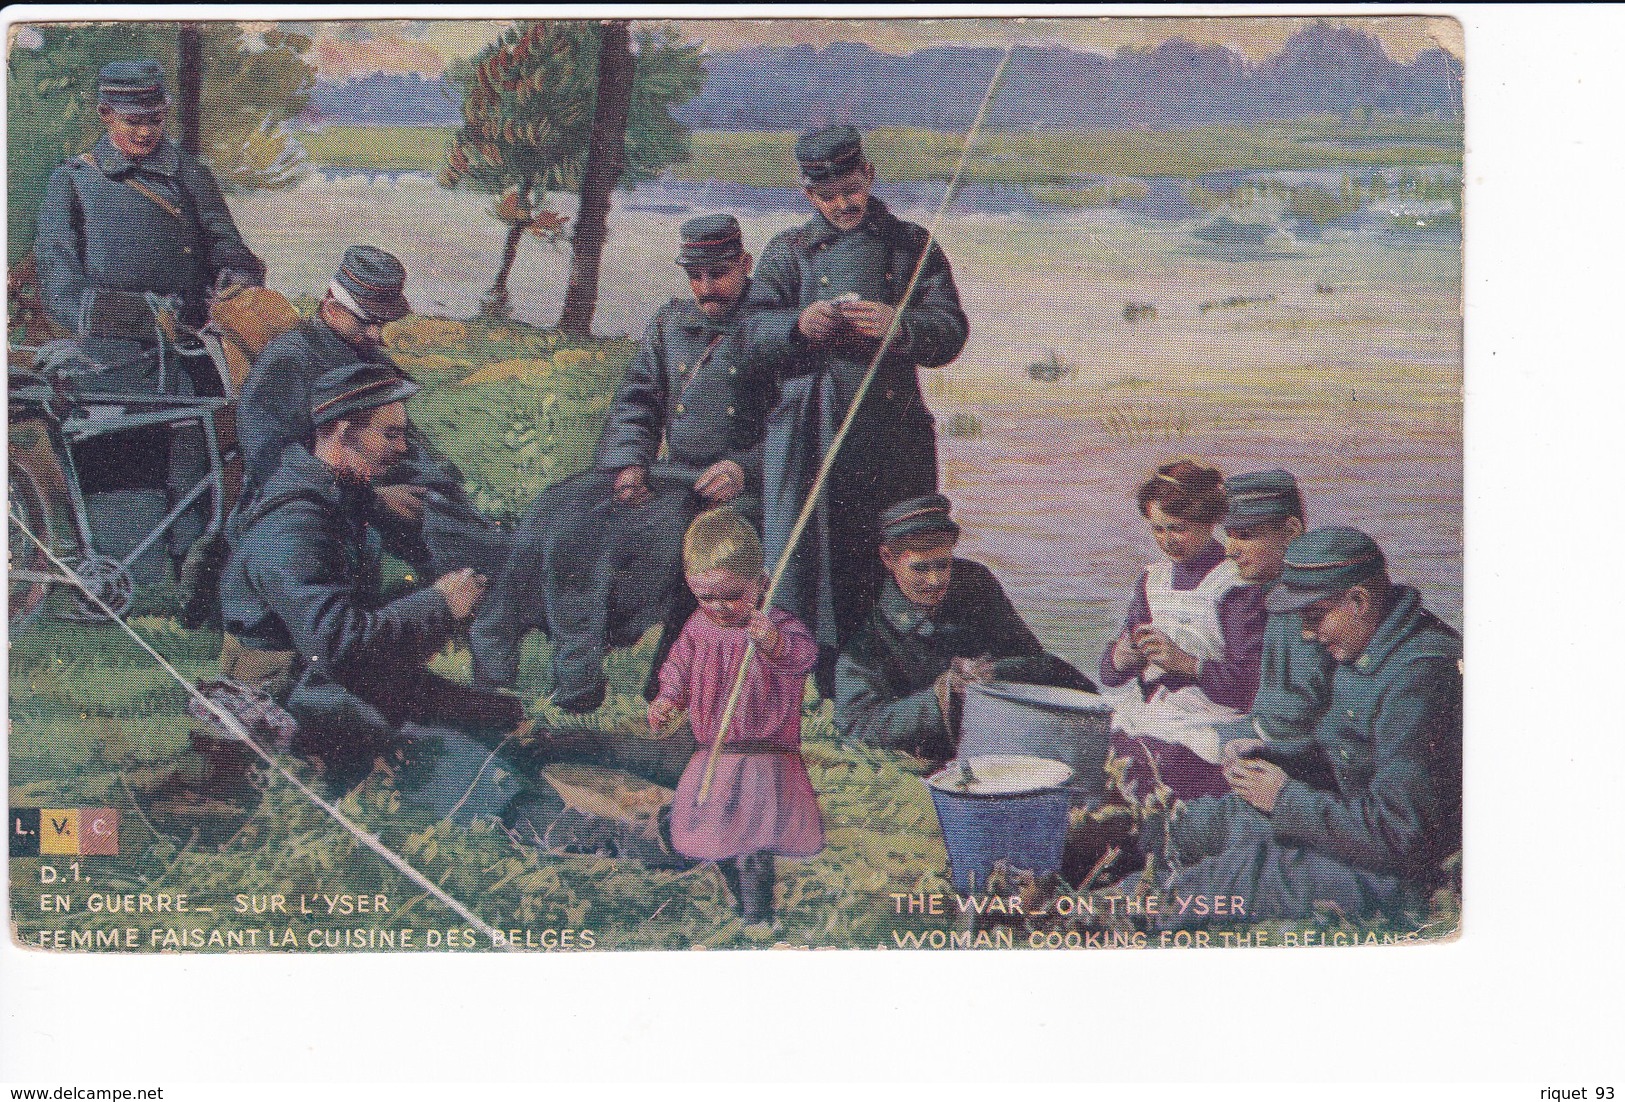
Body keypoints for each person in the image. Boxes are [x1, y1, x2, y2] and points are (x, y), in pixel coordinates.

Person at [218, 364, 523, 797]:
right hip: (286, 692)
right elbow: (335, 640)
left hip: (328, 675)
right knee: (478, 775)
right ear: (342, 432)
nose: (403, 449)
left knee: (499, 717)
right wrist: (438, 605)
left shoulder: (336, 492)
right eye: (390, 435)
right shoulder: (295, 521)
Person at [745, 125, 970, 691]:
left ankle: (904, 681)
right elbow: (748, 335)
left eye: (852, 189)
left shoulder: (911, 246)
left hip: (893, 433)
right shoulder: (788, 252)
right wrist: (799, 325)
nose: (844, 204)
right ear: (808, 195)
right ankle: (821, 681)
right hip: (813, 433)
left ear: (869, 176)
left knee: (899, 551)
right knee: (819, 557)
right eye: (829, 196)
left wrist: (901, 326)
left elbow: (950, 331)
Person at [1150, 527, 1462, 928]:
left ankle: (1121, 917)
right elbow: (1341, 755)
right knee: (1200, 825)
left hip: (1400, 876)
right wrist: (1272, 756)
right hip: (1348, 831)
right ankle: (1117, 875)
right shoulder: (1370, 645)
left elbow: (1401, 836)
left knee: (1230, 879)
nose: (1306, 634)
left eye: (1314, 617)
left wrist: (1283, 799)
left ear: (1358, 601)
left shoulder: (1421, 676)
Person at [33, 59, 266, 581]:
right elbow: (61, 289)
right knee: (121, 482)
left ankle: (196, 570)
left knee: (200, 463)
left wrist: (234, 280)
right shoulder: (72, 183)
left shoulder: (190, 176)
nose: (144, 132)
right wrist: (143, 315)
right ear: (105, 116)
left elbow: (231, 250)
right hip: (108, 365)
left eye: (155, 121)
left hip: (190, 356)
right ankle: (129, 578)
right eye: (131, 121)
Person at [236, 246, 508, 580]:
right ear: (333, 310)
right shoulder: (286, 361)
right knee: (470, 549)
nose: (377, 336)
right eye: (368, 323)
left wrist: (442, 485)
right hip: (309, 506)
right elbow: (271, 461)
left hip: (385, 492)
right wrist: (372, 499)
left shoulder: (372, 361)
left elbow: (407, 441)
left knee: (479, 533)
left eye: (384, 323)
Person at [595, 214, 780, 697]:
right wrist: (630, 462)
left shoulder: (775, 327)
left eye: (718, 274)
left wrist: (746, 467)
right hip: (673, 477)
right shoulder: (669, 323)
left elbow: (796, 427)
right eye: (695, 276)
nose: (705, 289)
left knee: (707, 559)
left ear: (745, 264)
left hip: (752, 489)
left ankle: (673, 687)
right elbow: (637, 399)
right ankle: (588, 663)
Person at [652, 507, 824, 925]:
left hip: (766, 756)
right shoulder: (697, 628)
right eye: (706, 597)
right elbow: (678, 666)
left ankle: (758, 913)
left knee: (755, 839)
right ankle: (737, 897)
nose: (720, 607)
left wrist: (774, 643)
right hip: (715, 751)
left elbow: (804, 658)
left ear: (762, 583)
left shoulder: (776, 626)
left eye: (732, 595)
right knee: (715, 833)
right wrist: (668, 698)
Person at [835, 494, 1096, 764]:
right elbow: (855, 727)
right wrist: (941, 695)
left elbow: (1040, 664)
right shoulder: (870, 638)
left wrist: (995, 671)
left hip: (1008, 744)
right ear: (888, 558)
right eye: (920, 569)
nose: (935, 580)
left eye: (943, 565)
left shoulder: (975, 585)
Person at [1099, 459, 1267, 800]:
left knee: (1158, 770)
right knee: (1104, 758)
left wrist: (1186, 663)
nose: (1167, 540)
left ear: (1209, 522)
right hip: (1154, 714)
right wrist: (1126, 654)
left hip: (1209, 723)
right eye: (1158, 529)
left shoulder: (1235, 584)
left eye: (1177, 528)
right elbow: (1109, 675)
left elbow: (1248, 687)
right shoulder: (1153, 580)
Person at [1217, 470, 1337, 762]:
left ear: (1292, 531)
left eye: (1245, 536)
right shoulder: (1275, 593)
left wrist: (1227, 738)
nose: (1230, 551)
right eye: (1228, 536)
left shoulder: (1310, 601)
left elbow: (1298, 713)